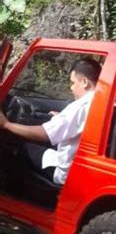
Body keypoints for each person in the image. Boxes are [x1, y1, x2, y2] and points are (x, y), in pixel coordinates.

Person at [0, 57, 101, 185]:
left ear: (84, 82)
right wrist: (62, 117)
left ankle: (15, 192)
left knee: (17, 146)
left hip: (65, 171)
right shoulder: (106, 103)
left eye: (73, 82)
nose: (71, 88)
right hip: (84, 165)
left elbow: (44, 134)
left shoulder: (81, 106)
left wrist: (6, 124)